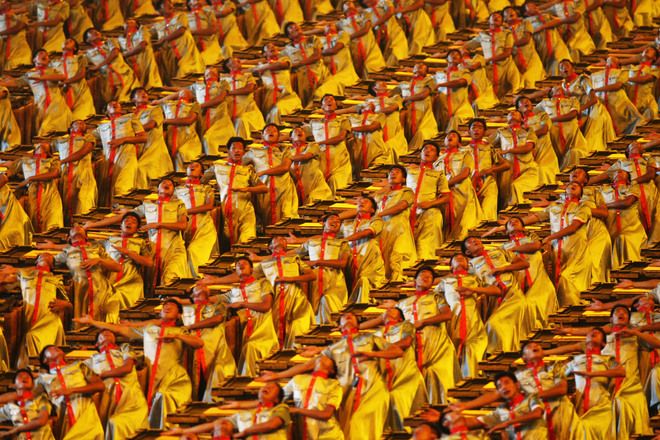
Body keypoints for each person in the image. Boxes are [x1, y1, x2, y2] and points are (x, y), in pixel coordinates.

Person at [259, 312, 402, 440]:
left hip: (373, 390)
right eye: (344, 317)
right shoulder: (333, 349)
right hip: (348, 395)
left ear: (358, 325)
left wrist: (372, 354)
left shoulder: (370, 338)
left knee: (361, 428)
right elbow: (308, 365)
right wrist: (276, 375)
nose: (348, 316)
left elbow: (397, 351)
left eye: (352, 316)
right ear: (339, 327)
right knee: (352, 431)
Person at [75, 299, 202, 429]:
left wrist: (177, 336)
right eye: (165, 306)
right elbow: (120, 329)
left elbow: (199, 343)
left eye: (172, 306)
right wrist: (92, 322)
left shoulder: (181, 331)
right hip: (152, 376)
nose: (167, 307)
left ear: (179, 315)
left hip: (173, 377)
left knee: (164, 398)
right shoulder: (149, 330)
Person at [84, 178, 191, 288]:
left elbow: (183, 225)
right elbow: (123, 217)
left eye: (171, 184)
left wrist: (158, 225)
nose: (167, 184)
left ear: (173, 191)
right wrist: (92, 225)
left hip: (174, 247)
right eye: (164, 183)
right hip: (154, 249)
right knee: (155, 284)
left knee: (171, 278)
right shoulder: (147, 205)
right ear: (157, 189)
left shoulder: (179, 204)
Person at [516, 182, 592, 306]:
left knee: (569, 281)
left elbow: (573, 227)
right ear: (565, 190)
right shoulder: (555, 206)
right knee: (557, 279)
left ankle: (576, 309)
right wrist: (513, 224)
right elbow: (537, 217)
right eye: (570, 185)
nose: (573, 185)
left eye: (577, 186)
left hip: (576, 251)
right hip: (557, 250)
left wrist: (549, 237)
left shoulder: (583, 207)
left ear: (581, 193)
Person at [200, 257, 278, 376]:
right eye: (237, 264)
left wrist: (242, 304)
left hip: (263, 330)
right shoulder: (233, 292)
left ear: (252, 269)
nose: (240, 265)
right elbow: (208, 300)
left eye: (244, 263)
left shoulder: (263, 283)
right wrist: (198, 294)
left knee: (250, 347)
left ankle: (249, 382)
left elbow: (266, 306)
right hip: (243, 331)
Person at [462, 236, 530, 352]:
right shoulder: (471, 266)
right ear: (468, 252)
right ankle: (506, 353)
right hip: (495, 299)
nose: (474, 241)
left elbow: (524, 264)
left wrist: (504, 268)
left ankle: (502, 353)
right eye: (469, 242)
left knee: (494, 324)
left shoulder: (499, 251)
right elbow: (457, 276)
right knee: (497, 327)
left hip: (513, 294)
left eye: (475, 239)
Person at [0, 254, 67, 368]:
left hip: (50, 320)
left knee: (31, 336)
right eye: (41, 256)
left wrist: (64, 304)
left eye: (49, 257)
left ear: (52, 265)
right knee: (30, 335)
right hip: (31, 319)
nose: (45, 257)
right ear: (35, 262)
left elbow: (69, 304)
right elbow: (3, 281)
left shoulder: (56, 279)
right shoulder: (24, 276)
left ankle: (34, 368)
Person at [250, 237, 315, 349]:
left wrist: (290, 279)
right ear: (270, 247)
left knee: (297, 327)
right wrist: (215, 280)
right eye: (277, 239)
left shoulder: (295, 259)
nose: (280, 240)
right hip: (276, 299)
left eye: (283, 239)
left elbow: (312, 275)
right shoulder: (264, 264)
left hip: (296, 298)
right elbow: (247, 277)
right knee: (276, 330)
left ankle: (295, 353)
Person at [83, 330, 149, 439]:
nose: (107, 333)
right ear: (96, 344)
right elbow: (93, 382)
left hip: (131, 399)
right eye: (102, 334)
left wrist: (104, 374)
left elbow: (127, 368)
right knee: (109, 423)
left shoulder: (125, 349)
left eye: (110, 333)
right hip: (108, 401)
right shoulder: (91, 361)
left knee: (116, 424)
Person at [165, 382, 290, 439]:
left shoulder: (281, 409)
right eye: (264, 386)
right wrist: (183, 430)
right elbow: (215, 424)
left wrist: (245, 432)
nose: (266, 387)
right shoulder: (244, 415)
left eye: (271, 387)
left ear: (277, 398)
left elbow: (272, 424)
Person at [451, 371, 549, 439]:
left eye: (507, 383)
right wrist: (451, 419)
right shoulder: (501, 411)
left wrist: (507, 423)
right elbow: (476, 422)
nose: (504, 387)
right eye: (499, 386)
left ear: (517, 385)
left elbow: (537, 413)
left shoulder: (531, 398)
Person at [37, 345, 105, 440]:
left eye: (57, 347)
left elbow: (100, 386)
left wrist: (72, 390)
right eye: (50, 348)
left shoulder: (79, 366)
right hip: (63, 421)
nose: (56, 348)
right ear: (44, 359)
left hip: (86, 417)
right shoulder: (43, 379)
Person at [210, 137, 267, 248]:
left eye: (240, 149)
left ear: (244, 152)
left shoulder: (248, 170)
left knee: (247, 240)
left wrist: (247, 189)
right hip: (226, 211)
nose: (237, 151)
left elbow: (264, 188)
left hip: (245, 211)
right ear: (228, 150)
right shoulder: (217, 167)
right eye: (234, 148)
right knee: (231, 242)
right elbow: (202, 180)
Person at [181, 285, 236, 401]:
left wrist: (191, 326)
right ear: (193, 296)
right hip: (191, 347)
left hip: (214, 346)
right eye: (198, 289)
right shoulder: (186, 309)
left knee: (218, 369)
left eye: (204, 289)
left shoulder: (218, 306)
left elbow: (218, 319)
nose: (203, 287)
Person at [293, 214, 351, 324]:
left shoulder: (342, 243)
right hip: (314, 281)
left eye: (339, 221)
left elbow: (343, 263)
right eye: (332, 219)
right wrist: (259, 258)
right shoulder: (311, 242)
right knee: (316, 312)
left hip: (334, 281)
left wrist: (317, 262)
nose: (336, 221)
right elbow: (292, 255)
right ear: (323, 223)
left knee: (331, 308)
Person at [437, 255, 488, 378]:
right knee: (455, 354)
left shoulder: (475, 278)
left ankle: (472, 380)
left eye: (463, 258)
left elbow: (491, 290)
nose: (460, 259)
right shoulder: (445, 282)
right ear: (450, 266)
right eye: (456, 258)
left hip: (473, 318)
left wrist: (474, 290)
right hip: (454, 319)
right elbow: (434, 298)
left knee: (473, 351)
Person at [0, 50, 73, 136]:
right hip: (41, 106)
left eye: (47, 55)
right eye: (41, 54)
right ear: (34, 60)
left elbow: (62, 77)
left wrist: (42, 77)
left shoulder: (53, 71)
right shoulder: (30, 74)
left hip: (57, 104)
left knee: (51, 130)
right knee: (45, 132)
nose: (45, 55)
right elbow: (16, 83)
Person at [243, 124, 299, 227]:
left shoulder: (285, 150)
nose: (271, 132)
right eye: (267, 130)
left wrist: (263, 172)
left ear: (279, 136)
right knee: (266, 221)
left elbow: (285, 167)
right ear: (262, 136)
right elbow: (239, 164)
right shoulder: (253, 152)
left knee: (286, 218)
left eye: (274, 130)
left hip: (283, 189)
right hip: (264, 190)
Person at [338, 195, 387, 303]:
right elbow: (328, 238)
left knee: (366, 289)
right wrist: (299, 241)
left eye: (366, 201)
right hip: (351, 264)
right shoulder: (346, 224)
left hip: (370, 263)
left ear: (372, 209)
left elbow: (367, 232)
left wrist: (345, 240)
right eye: (359, 201)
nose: (362, 202)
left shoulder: (376, 221)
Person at [406, 143, 450, 260]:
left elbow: (446, 197)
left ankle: (427, 260)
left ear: (436, 157)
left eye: (432, 150)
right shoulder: (408, 170)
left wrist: (429, 204)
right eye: (425, 148)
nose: (428, 151)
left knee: (434, 217)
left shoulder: (439, 174)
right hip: (407, 210)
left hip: (428, 210)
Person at [283, 356, 344, 439]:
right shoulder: (297, 379)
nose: (323, 356)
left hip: (328, 436)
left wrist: (298, 410)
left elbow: (327, 414)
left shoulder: (334, 385)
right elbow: (278, 397)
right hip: (304, 436)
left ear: (332, 370)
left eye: (328, 358)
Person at [437, 132, 483, 241]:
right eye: (448, 136)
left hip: (462, 191)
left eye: (454, 136)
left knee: (463, 223)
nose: (450, 137)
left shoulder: (465, 154)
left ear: (459, 142)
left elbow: (465, 173)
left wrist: (445, 185)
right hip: (445, 194)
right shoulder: (438, 159)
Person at [95, 101, 144, 201]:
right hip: (110, 163)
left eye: (117, 103)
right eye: (111, 104)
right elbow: (89, 139)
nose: (114, 103)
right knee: (109, 192)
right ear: (107, 111)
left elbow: (143, 138)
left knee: (121, 188)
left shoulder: (130, 118)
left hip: (127, 159)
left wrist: (123, 140)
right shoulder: (102, 126)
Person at [175, 162, 218, 277]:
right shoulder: (177, 190)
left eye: (197, 165)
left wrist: (186, 211)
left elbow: (209, 206)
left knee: (194, 251)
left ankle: (197, 281)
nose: (192, 166)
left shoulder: (207, 189)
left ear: (202, 173)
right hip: (184, 229)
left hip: (204, 229)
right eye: (190, 165)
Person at [102, 211, 152, 309]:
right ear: (121, 225)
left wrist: (129, 253)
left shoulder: (141, 242)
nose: (129, 222)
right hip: (111, 279)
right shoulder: (109, 241)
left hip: (132, 281)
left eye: (133, 222)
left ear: (137, 229)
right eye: (126, 220)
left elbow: (149, 262)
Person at [464, 12, 520, 99]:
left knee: (508, 91)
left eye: (499, 17)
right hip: (489, 68)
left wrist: (486, 60)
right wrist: (467, 56)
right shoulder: (483, 35)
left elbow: (507, 53)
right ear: (489, 21)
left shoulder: (507, 33)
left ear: (502, 22)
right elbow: (466, 46)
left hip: (505, 66)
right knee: (490, 93)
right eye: (493, 16)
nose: (496, 17)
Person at [376, 165, 418, 281]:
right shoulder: (381, 195)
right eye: (391, 172)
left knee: (398, 260)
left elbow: (401, 206)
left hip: (399, 230)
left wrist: (379, 215)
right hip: (383, 231)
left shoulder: (407, 191)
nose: (393, 174)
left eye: (397, 172)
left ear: (404, 179)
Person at [53, 120, 97, 225]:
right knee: (67, 205)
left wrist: (62, 161)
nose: (81, 124)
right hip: (66, 175)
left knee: (83, 203)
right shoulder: (61, 140)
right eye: (77, 123)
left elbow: (82, 153)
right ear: (71, 127)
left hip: (83, 174)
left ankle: (82, 228)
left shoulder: (89, 138)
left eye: (83, 123)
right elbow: (45, 151)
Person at [600, 170, 647, 268]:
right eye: (617, 172)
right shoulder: (602, 190)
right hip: (610, 229)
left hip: (631, 229)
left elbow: (627, 203)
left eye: (622, 172)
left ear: (628, 180)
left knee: (627, 245)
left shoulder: (632, 187)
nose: (619, 173)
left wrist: (606, 205)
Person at [492, 110, 539, 207]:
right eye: (509, 113)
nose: (512, 113)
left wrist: (508, 151)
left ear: (522, 119)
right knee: (505, 196)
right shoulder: (501, 132)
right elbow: (487, 144)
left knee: (517, 187)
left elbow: (528, 147)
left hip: (527, 168)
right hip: (508, 169)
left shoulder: (529, 131)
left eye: (516, 112)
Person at [535, 86, 589, 171]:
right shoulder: (544, 103)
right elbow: (532, 114)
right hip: (553, 135)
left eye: (560, 88)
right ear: (551, 94)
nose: (558, 89)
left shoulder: (572, 100)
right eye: (555, 89)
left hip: (571, 135)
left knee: (574, 153)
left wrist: (551, 119)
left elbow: (572, 114)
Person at [308, 94, 353, 195]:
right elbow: (299, 134)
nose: (329, 101)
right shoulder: (314, 123)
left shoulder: (343, 121)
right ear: (322, 107)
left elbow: (340, 137)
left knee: (337, 186)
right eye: (326, 100)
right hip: (321, 162)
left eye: (332, 100)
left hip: (340, 163)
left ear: (336, 106)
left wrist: (320, 143)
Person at [14, 141, 63, 233]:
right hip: (33, 196)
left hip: (49, 195)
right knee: (35, 226)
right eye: (40, 143)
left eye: (45, 144)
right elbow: (10, 167)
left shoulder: (53, 160)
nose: (42, 144)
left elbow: (54, 173)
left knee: (51, 225)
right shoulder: (26, 161)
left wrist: (30, 179)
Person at [152, 0, 205, 84]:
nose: (170, 5)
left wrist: (165, 39)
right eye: (166, 4)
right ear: (159, 9)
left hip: (187, 55)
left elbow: (181, 30)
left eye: (171, 3)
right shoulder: (158, 25)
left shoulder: (181, 16)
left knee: (184, 73)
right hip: (170, 58)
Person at [131, 88, 174, 189]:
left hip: (154, 148)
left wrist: (134, 132)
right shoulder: (131, 115)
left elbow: (151, 124)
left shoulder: (155, 110)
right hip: (141, 149)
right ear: (133, 100)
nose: (144, 94)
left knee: (142, 169)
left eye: (145, 92)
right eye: (140, 93)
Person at [465, 118, 507, 222]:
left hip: (488, 183)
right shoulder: (463, 150)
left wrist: (490, 170)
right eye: (473, 127)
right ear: (469, 131)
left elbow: (506, 165)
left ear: (484, 132)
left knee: (488, 213)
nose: (476, 130)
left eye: (480, 128)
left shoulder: (490, 148)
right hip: (469, 184)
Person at [591, 56, 645, 136]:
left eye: (613, 61)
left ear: (618, 65)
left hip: (618, 102)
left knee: (638, 119)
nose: (610, 62)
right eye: (608, 61)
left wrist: (596, 90)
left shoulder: (622, 72)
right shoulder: (595, 75)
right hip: (602, 104)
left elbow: (617, 85)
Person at [84, 28, 139, 104]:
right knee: (115, 104)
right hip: (108, 81)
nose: (96, 32)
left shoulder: (110, 41)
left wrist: (98, 66)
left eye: (97, 31)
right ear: (87, 40)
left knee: (131, 100)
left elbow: (115, 53)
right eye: (91, 32)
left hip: (125, 75)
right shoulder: (88, 54)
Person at [253, 43, 302, 124]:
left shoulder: (284, 60)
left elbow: (280, 65)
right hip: (270, 98)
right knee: (275, 110)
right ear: (264, 54)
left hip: (287, 96)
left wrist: (264, 68)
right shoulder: (259, 66)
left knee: (279, 109)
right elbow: (246, 70)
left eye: (273, 46)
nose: (272, 47)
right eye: (268, 47)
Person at [157, 88, 203, 172]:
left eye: (186, 94)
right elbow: (157, 103)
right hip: (171, 143)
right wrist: (177, 94)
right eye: (180, 94)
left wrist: (166, 121)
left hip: (188, 142)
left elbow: (189, 120)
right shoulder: (170, 105)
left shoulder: (194, 105)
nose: (182, 95)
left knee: (188, 169)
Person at [0, 369, 53, 439]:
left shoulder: (41, 399)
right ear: (13, 385)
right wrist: (15, 395)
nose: (24, 377)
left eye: (28, 376)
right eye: (20, 376)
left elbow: (41, 421)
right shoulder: (10, 407)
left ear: (33, 384)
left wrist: (14, 431)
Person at [516, 96, 558, 185]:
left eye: (528, 100)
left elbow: (544, 130)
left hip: (545, 152)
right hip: (529, 154)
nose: (526, 102)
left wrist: (528, 137)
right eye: (522, 102)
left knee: (544, 172)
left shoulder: (542, 115)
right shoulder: (519, 124)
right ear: (518, 109)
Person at [192, 66, 234, 155]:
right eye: (207, 74)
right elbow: (180, 92)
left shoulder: (223, 83)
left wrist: (200, 106)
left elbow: (220, 98)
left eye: (213, 74)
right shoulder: (198, 87)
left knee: (210, 139)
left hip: (219, 119)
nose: (210, 76)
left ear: (218, 77)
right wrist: (161, 100)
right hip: (203, 119)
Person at [287, 126, 333, 204]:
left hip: (317, 187)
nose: (299, 131)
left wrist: (288, 159)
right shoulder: (287, 150)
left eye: (302, 131)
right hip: (298, 188)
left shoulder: (312, 146)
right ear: (291, 138)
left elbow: (306, 156)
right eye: (296, 131)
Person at [223, 57, 266, 139]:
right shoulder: (223, 79)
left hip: (249, 112)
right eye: (235, 60)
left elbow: (249, 89)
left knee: (241, 121)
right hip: (229, 113)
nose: (239, 60)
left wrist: (229, 93)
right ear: (228, 65)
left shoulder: (248, 76)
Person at [503, 6, 545, 89]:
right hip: (517, 63)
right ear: (504, 19)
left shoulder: (525, 23)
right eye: (507, 12)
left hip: (531, 60)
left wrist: (509, 44)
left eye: (512, 10)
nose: (511, 12)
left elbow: (526, 39)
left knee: (529, 80)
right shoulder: (504, 31)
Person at [400, 63, 437, 151]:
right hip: (409, 114)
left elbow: (424, 95)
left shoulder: (429, 80)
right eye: (417, 66)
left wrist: (407, 99)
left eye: (422, 67)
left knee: (420, 134)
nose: (419, 67)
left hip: (423, 116)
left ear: (426, 71)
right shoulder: (406, 83)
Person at [434, 49, 474, 131]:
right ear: (446, 59)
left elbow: (461, 82)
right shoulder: (440, 75)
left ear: (460, 60)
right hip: (443, 110)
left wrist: (441, 84)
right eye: (452, 53)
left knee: (455, 121)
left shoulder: (464, 72)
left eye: (457, 54)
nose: (455, 55)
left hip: (461, 109)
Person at [56, 39, 95, 121]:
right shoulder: (54, 62)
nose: (66, 41)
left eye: (70, 41)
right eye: (65, 41)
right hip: (63, 95)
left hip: (80, 94)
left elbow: (81, 74)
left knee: (80, 119)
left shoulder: (80, 58)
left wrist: (66, 81)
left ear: (74, 48)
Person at [119, 19, 163, 90]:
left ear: (136, 25)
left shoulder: (141, 31)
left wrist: (125, 55)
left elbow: (142, 45)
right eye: (126, 22)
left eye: (131, 22)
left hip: (142, 58)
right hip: (129, 62)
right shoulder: (120, 39)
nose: (127, 23)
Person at [187, 0, 222, 66]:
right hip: (193, 47)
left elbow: (214, 29)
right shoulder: (185, 17)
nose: (197, 2)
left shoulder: (208, 13)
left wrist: (194, 32)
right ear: (189, 3)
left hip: (210, 46)